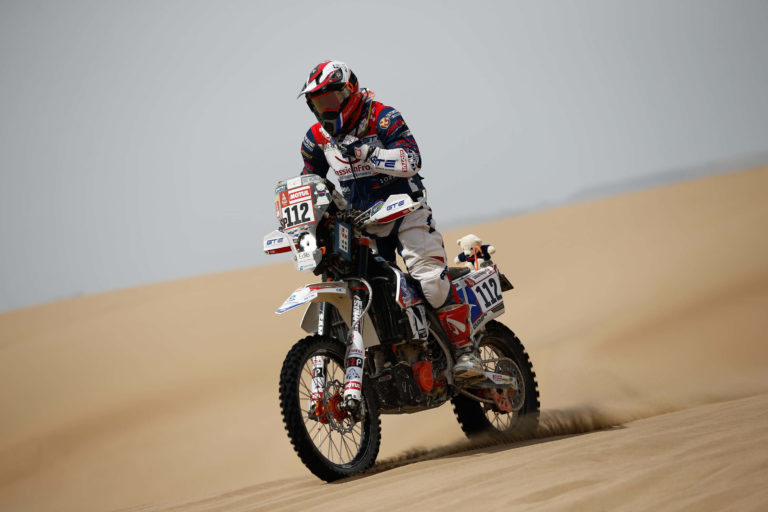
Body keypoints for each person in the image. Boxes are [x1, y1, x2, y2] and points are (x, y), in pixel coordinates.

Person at [297, 60, 483, 380]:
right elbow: (309, 180)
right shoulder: (316, 137)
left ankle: (466, 351)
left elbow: (413, 159)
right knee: (364, 292)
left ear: (349, 91)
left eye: (329, 100)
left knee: (429, 279)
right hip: (361, 225)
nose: (324, 110)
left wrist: (369, 154)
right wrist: (302, 218)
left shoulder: (382, 116)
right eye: (317, 103)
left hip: (406, 212)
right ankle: (387, 360)